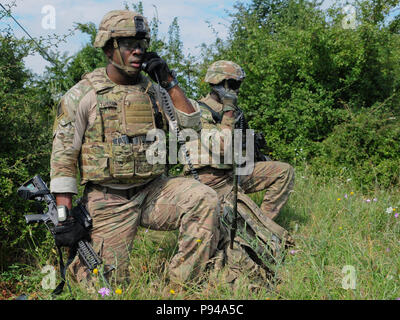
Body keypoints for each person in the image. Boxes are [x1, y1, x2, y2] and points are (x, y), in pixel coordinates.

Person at [50, 10, 220, 287]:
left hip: (154, 190)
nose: (138, 51)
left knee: (205, 198)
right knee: (105, 287)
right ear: (109, 48)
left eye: (142, 44)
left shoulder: (154, 91)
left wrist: (169, 82)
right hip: (109, 199)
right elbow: (63, 160)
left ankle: (180, 286)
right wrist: (64, 218)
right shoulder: (83, 95)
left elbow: (192, 127)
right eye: (129, 44)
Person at [185, 60, 295, 221]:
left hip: (233, 172)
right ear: (219, 84)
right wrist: (229, 110)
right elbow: (220, 146)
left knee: (283, 171)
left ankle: (263, 223)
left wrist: (254, 151)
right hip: (208, 178)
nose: (237, 90)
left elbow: (239, 151)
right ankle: (253, 228)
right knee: (229, 223)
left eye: (238, 85)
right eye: (233, 84)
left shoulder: (235, 112)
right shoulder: (198, 110)